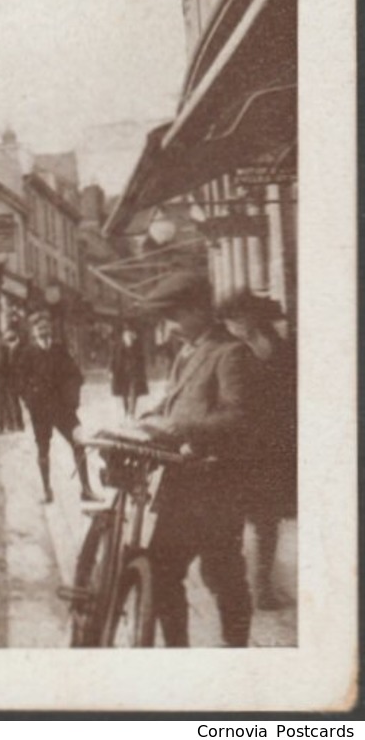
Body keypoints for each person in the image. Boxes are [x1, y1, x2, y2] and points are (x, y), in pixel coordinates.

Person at [132, 271, 254, 647]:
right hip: (183, 487)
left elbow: (239, 417)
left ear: (200, 309)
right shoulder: (188, 351)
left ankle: (236, 655)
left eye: (175, 314)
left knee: (221, 575)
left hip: (215, 486)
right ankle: (180, 654)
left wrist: (178, 429)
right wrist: (147, 421)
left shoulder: (230, 352)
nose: (169, 324)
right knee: (162, 571)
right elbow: (173, 402)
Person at [219, 290, 296, 611]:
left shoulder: (274, 341)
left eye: (241, 316)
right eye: (232, 319)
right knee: (234, 520)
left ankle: (262, 588)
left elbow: (290, 383)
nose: (237, 324)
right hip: (236, 446)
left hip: (273, 443)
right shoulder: (225, 348)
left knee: (267, 520)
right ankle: (238, 588)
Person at [13, 312, 96, 504]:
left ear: (51, 329)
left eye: (46, 327)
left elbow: (75, 374)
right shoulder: (27, 353)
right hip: (40, 410)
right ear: (33, 332)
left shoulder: (59, 350)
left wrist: (72, 397)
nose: (44, 331)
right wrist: (30, 399)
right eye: (39, 328)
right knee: (43, 450)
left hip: (63, 408)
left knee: (79, 443)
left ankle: (86, 489)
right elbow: (19, 381)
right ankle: (46, 490)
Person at [110, 322, 149, 417]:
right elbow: (113, 358)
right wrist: (111, 370)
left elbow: (141, 358)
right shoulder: (118, 345)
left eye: (130, 332)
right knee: (124, 393)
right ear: (123, 334)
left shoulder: (137, 344)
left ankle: (131, 413)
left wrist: (142, 371)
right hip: (121, 372)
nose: (128, 335)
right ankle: (126, 411)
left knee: (133, 391)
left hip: (134, 371)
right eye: (126, 333)